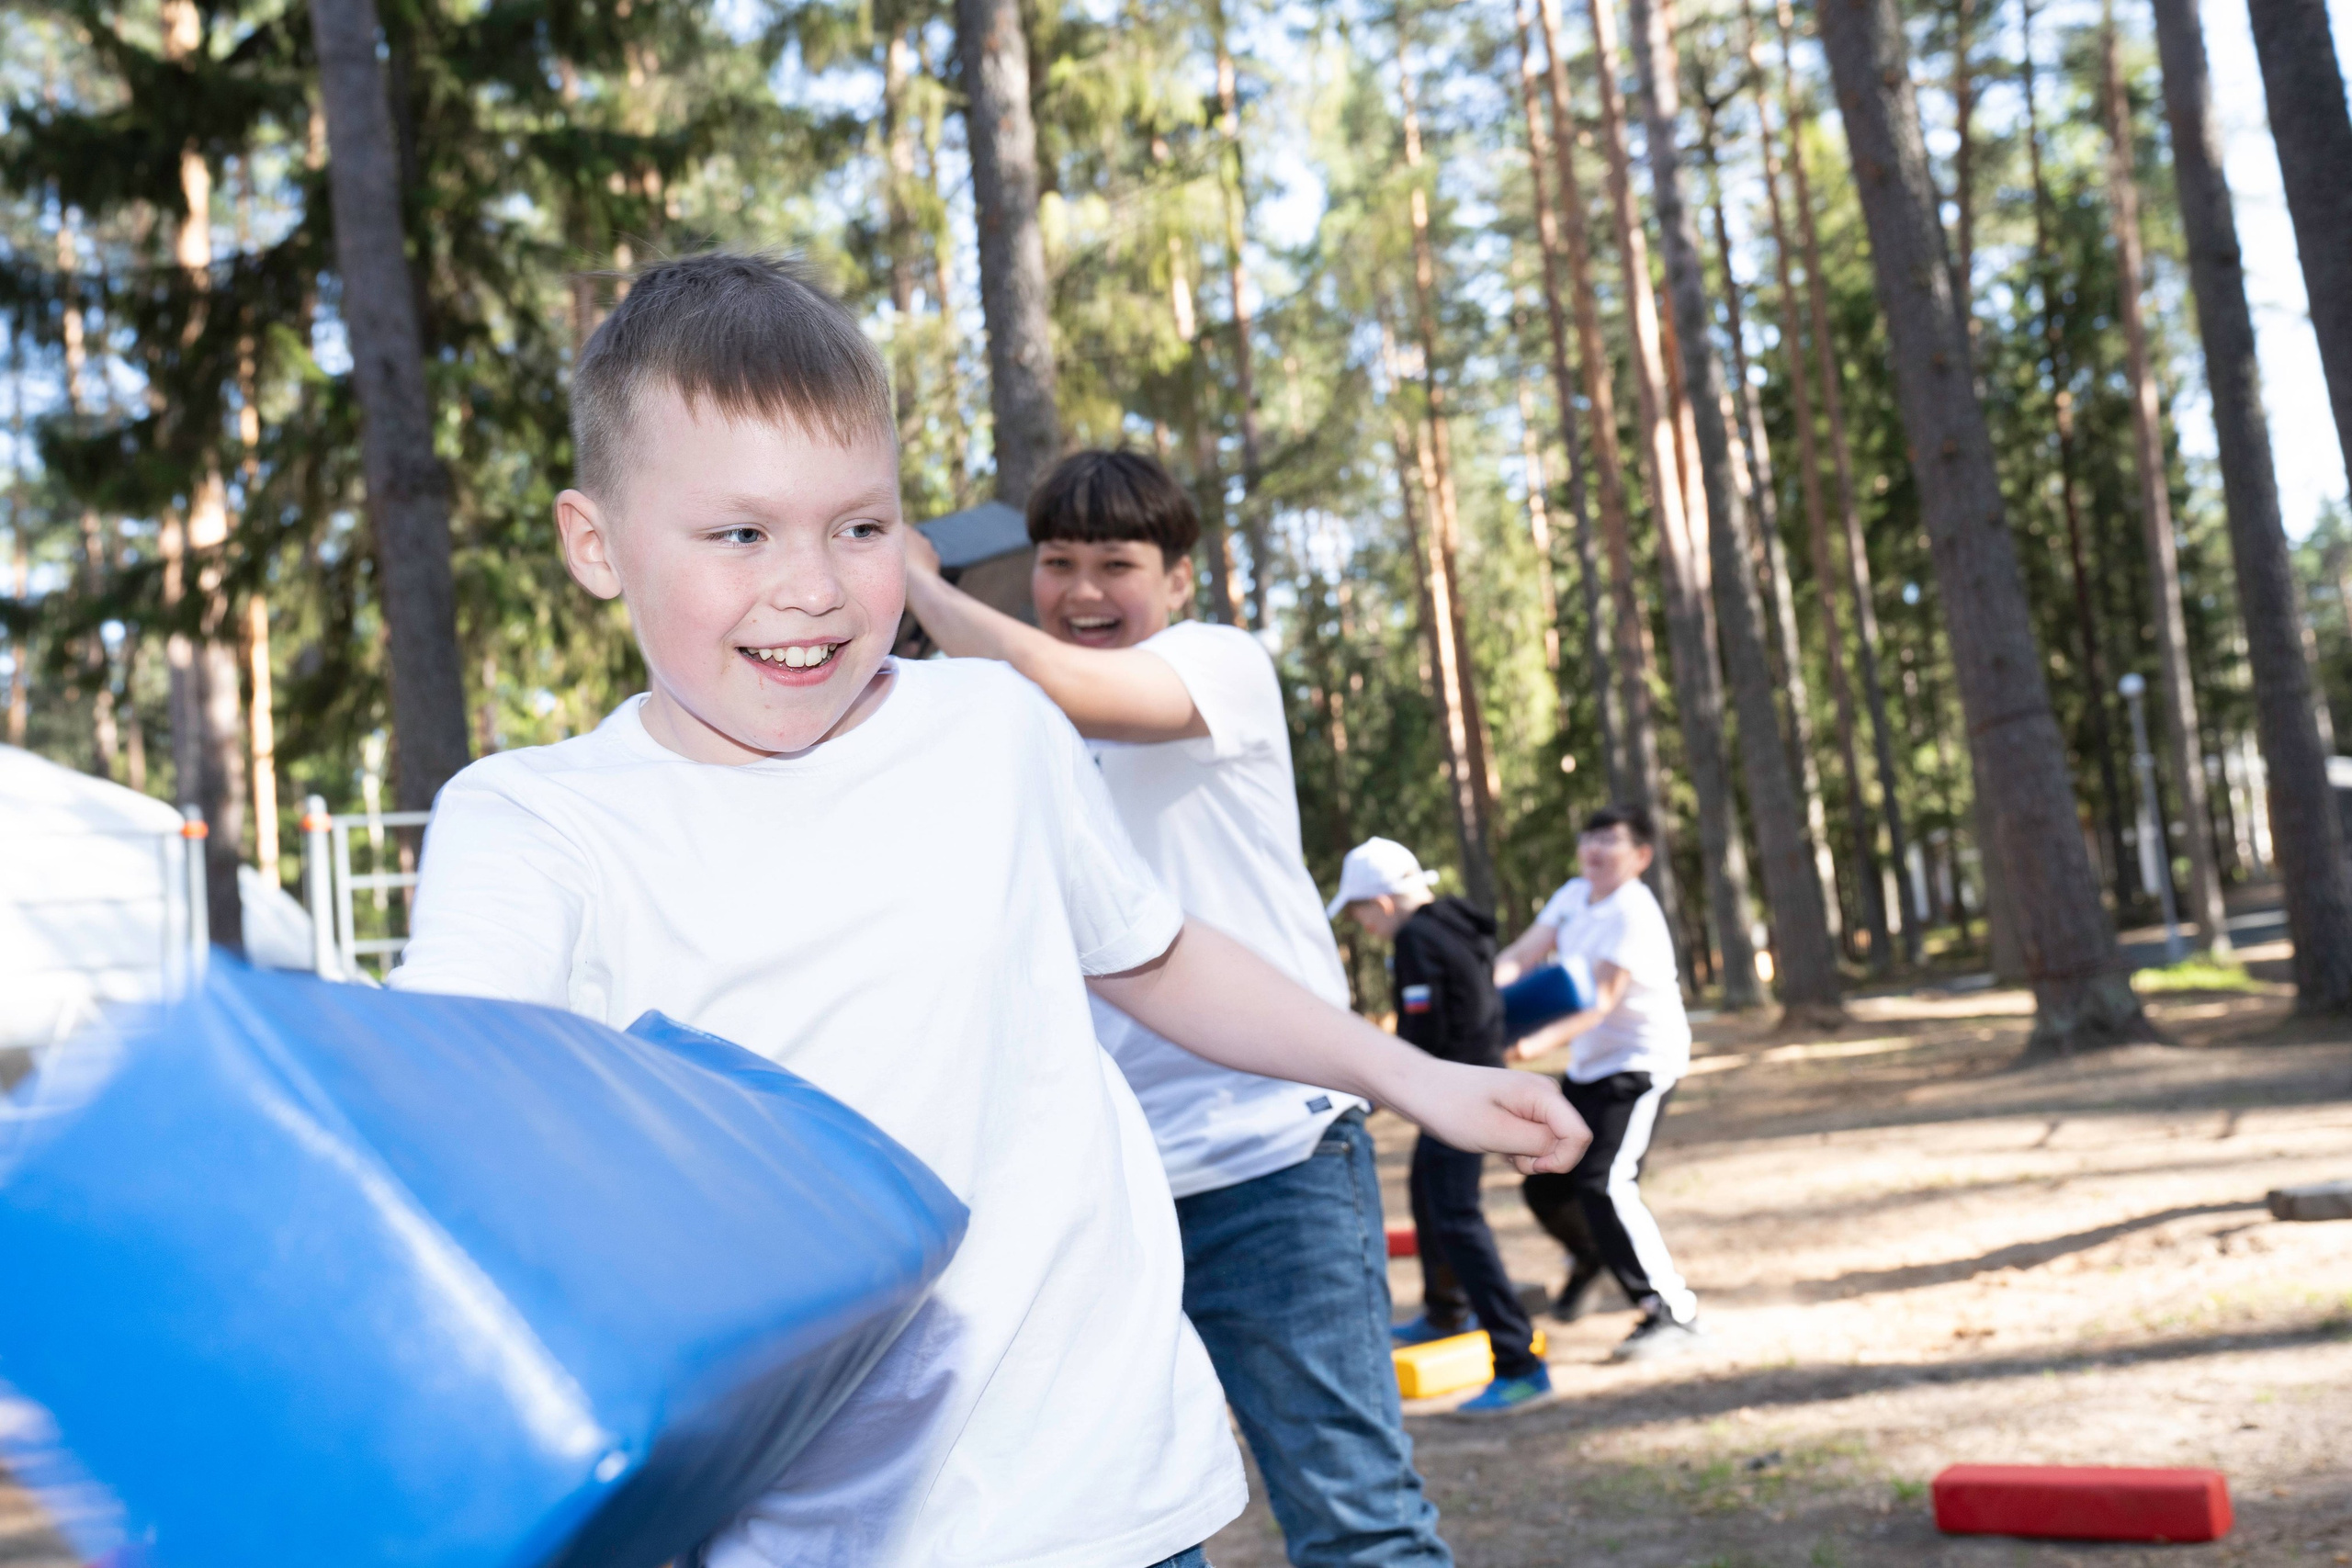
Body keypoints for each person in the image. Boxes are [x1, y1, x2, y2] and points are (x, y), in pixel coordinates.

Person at [387, 254, 1590, 1568]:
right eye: (740, 532)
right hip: (795, 1532)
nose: (813, 586)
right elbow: (446, 1132)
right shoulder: (532, 822)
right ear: (595, 544)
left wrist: (1415, 1073)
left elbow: (1157, 951)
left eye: (858, 527)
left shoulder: (993, 728)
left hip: (1097, 1487)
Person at [902, 450, 1481, 1564]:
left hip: (1271, 1165)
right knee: (1121, 1535)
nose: (1079, 592)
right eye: (1056, 562)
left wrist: (921, 583)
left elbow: (1074, 688)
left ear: (1175, 578)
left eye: (1115, 563)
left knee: (1354, 1521)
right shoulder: (1002, 725)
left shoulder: (1216, 665)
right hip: (1098, 1197)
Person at [1329, 838, 1554, 1416]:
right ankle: (1445, 1310)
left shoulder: (1416, 940)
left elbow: (1425, 1033)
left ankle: (1520, 1362)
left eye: (1357, 914)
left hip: (1458, 1095)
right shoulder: (1454, 923)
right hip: (1465, 1085)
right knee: (1428, 1198)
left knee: (1456, 1217)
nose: (1361, 927)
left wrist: (1380, 1081)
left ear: (1380, 903)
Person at [1493, 804, 1706, 1363]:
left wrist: (1525, 1046)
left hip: (1640, 1063)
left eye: (1610, 839)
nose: (1594, 848)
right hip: (1591, 1066)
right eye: (1589, 836)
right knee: (1544, 1182)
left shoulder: (1633, 910)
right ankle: (1590, 1257)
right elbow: (1521, 955)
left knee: (1604, 1181)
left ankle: (1672, 1312)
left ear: (1640, 856)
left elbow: (1602, 1001)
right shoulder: (1571, 895)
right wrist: (1482, 997)